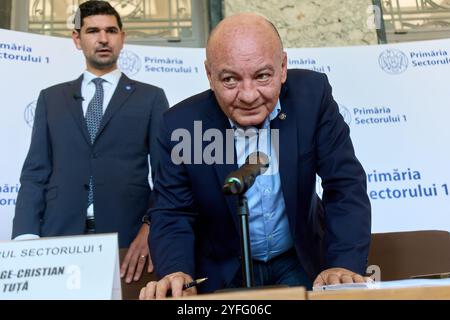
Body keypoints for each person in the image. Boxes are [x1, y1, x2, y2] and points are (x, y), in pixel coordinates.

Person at [139, 13, 371, 299]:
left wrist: (342, 264)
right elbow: (173, 211)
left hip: (300, 259)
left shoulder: (313, 97)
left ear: (282, 67)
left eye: (262, 76)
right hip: (222, 268)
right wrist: (177, 271)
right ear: (210, 76)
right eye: (230, 79)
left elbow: (345, 184)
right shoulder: (181, 125)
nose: (249, 96)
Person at [12, 1, 169, 284]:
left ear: (122, 37)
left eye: (111, 30)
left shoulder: (151, 98)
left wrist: (151, 228)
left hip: (128, 240)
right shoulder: (51, 99)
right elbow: (35, 173)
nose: (103, 38)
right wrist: (25, 237)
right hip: (58, 236)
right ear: (77, 38)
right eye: (93, 30)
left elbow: (166, 176)